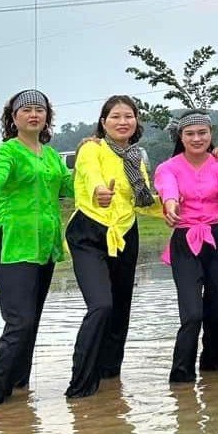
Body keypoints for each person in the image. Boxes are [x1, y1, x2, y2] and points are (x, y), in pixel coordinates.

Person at [0, 89, 73, 405]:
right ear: (13, 118)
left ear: (47, 118)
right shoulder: (8, 152)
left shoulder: (52, 156)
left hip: (43, 247)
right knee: (20, 322)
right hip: (13, 245)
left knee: (32, 322)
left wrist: (98, 181)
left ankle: (19, 392)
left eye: (39, 110)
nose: (34, 115)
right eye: (26, 110)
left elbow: (72, 187)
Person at [64, 95, 161, 398]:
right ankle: (80, 385)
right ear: (103, 122)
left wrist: (171, 207)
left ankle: (110, 385)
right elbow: (91, 175)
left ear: (136, 122)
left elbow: (141, 201)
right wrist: (98, 192)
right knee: (101, 305)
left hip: (125, 234)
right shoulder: (90, 149)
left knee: (120, 311)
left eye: (128, 116)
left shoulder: (135, 158)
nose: (123, 122)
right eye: (115, 116)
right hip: (89, 233)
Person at [154, 110, 218, 383]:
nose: (197, 138)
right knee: (193, 313)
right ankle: (182, 377)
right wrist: (171, 205)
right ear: (180, 137)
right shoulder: (168, 167)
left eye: (202, 133)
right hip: (186, 239)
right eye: (190, 134)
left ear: (211, 135)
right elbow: (168, 189)